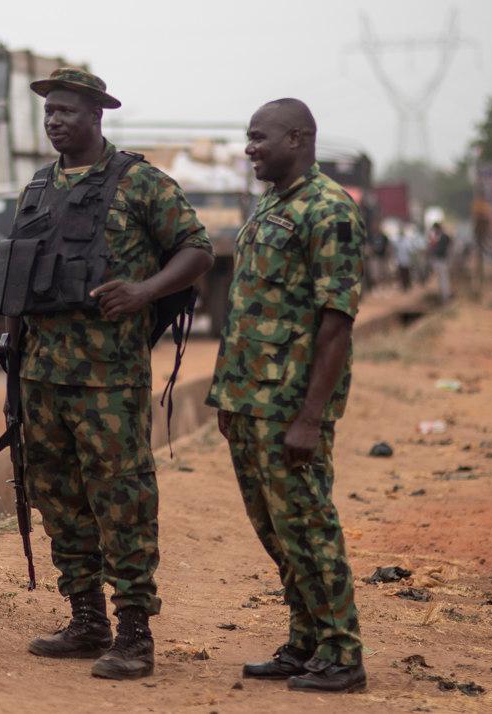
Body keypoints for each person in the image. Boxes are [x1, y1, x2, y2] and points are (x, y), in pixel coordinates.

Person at [3, 68, 212, 680]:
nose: (55, 121)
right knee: (57, 495)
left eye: (66, 111)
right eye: (48, 113)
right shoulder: (38, 187)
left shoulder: (141, 183)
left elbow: (198, 249)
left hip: (107, 378)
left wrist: (145, 290)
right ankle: (86, 619)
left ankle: (135, 634)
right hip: (41, 374)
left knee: (121, 499)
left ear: (97, 116)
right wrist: (11, 339)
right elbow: (22, 270)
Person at [206, 98, 366, 693]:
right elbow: (250, 308)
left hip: (289, 408)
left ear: (298, 139)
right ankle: (305, 643)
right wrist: (228, 395)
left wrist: (309, 417)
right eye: (248, 138)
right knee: (276, 533)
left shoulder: (330, 211)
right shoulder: (272, 203)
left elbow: (337, 321)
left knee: (309, 529)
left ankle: (343, 654)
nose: (250, 148)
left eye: (259, 138)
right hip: (249, 402)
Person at [428, 220, 452, 303]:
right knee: (441, 279)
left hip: (442, 260)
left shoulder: (444, 237)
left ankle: (446, 296)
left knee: (444, 279)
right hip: (438, 260)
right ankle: (443, 296)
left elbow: (445, 248)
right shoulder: (438, 237)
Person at [394, 225, 414, 292]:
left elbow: (410, 250)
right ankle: (404, 286)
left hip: (406, 260)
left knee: (407, 273)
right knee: (401, 274)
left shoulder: (407, 240)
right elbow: (396, 251)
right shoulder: (398, 241)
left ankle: (408, 286)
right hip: (400, 260)